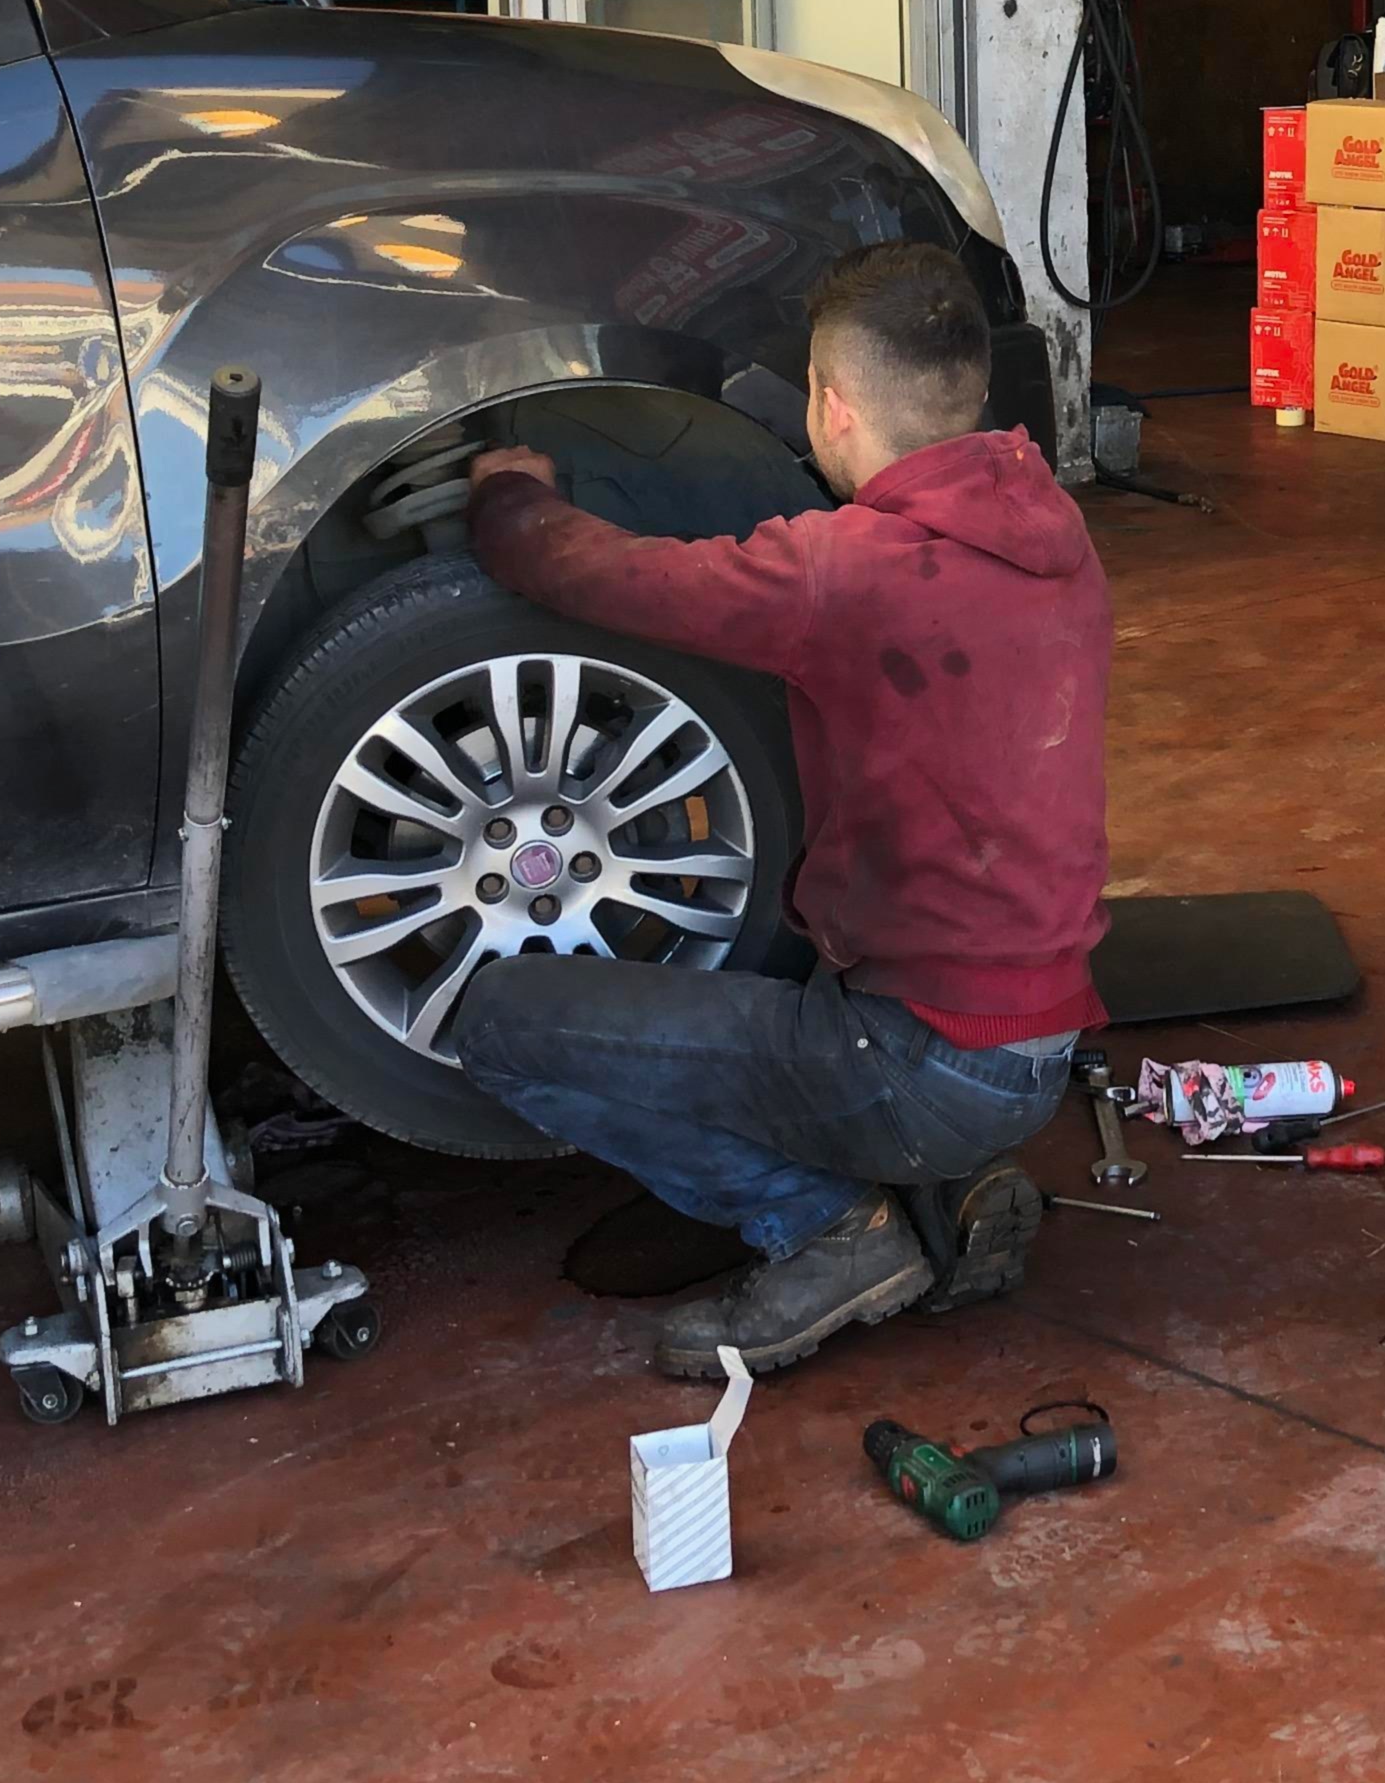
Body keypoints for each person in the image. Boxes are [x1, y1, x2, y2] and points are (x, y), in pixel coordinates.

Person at [444, 240, 1109, 1376]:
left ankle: (827, 1227)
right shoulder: (1056, 529)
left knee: (502, 1021)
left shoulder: (845, 572)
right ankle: (947, 1183)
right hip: (1041, 1043)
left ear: (830, 402)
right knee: (821, 953)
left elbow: (609, 578)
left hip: (916, 1056)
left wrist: (510, 499)